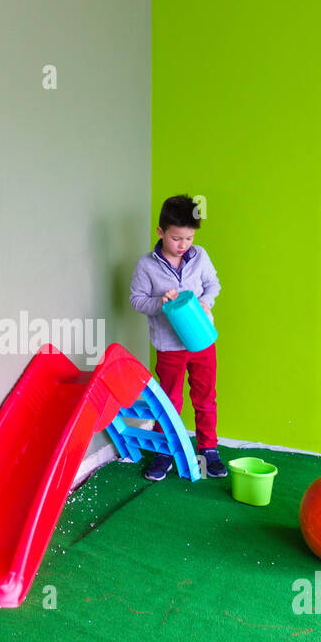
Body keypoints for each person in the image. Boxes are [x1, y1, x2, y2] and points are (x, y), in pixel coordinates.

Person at [128, 194, 226, 480]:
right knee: (169, 400)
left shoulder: (201, 256)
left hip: (202, 340)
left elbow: (213, 285)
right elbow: (136, 300)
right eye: (176, 239)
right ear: (160, 232)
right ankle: (164, 452)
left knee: (205, 396)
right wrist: (161, 302)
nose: (183, 245)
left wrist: (205, 302)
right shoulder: (146, 265)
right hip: (169, 346)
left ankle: (209, 449)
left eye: (189, 238)